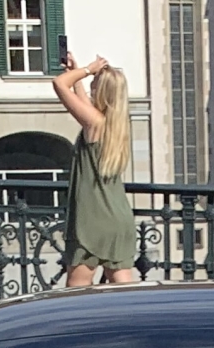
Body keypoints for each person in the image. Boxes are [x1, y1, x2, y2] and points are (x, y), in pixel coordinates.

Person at [53, 55, 136, 286]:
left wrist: (88, 69)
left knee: (76, 298)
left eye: (94, 85)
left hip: (93, 220)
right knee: (123, 292)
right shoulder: (116, 125)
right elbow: (84, 106)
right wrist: (78, 72)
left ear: (101, 91)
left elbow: (59, 84)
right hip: (119, 218)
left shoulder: (95, 124)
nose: (90, 89)